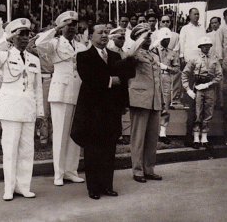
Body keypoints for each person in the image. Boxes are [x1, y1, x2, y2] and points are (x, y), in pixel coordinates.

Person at [0, 18, 44, 201]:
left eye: (26, 34)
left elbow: (37, 88)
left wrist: (40, 112)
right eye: (20, 35)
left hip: (28, 110)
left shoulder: (34, 60)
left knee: (27, 150)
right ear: (13, 37)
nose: (25, 38)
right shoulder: (3, 56)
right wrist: (5, 38)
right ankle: (9, 188)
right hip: (10, 110)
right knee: (9, 149)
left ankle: (23, 186)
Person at [71, 24, 133, 200]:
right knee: (93, 150)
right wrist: (109, 80)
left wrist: (123, 103)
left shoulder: (115, 56)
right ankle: (93, 187)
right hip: (92, 111)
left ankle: (107, 185)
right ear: (90, 36)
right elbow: (88, 79)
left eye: (106, 32)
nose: (104, 35)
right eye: (100, 33)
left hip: (111, 110)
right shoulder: (83, 56)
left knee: (109, 149)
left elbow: (123, 80)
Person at [35, 11, 87, 186]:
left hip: (77, 93)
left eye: (74, 24)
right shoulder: (55, 43)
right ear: (61, 26)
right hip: (61, 93)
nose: (72, 27)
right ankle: (58, 173)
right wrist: (55, 29)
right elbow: (39, 43)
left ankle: (71, 170)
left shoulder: (81, 46)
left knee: (75, 135)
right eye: (68, 24)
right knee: (60, 135)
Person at [128, 23, 163, 183]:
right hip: (140, 99)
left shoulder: (153, 55)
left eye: (149, 36)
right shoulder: (134, 52)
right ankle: (137, 170)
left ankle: (149, 169)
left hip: (154, 99)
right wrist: (141, 39)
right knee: (139, 137)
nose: (149, 39)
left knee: (151, 138)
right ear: (137, 37)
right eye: (145, 36)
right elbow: (131, 54)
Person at [182, 36, 222, 149]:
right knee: (197, 113)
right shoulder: (194, 59)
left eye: (208, 46)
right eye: (204, 46)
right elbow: (185, 74)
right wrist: (188, 89)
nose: (206, 48)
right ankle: (196, 139)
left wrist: (209, 84)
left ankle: (204, 138)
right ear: (200, 47)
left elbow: (219, 76)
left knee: (208, 112)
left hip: (209, 87)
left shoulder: (214, 59)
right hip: (198, 87)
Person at [179, 8, 206, 146]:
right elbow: (182, 44)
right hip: (190, 65)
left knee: (201, 104)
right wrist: (182, 57)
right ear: (189, 15)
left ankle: (200, 136)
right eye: (195, 14)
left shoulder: (202, 29)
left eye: (198, 14)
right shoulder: (185, 29)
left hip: (201, 67)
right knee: (191, 102)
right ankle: (188, 136)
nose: (197, 16)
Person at [154, 28, 180, 144]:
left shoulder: (172, 53)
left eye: (168, 39)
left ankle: (162, 133)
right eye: (164, 39)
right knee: (154, 103)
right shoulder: (154, 51)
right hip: (154, 78)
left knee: (165, 104)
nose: (167, 41)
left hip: (166, 78)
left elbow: (176, 69)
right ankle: (153, 131)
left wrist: (166, 68)